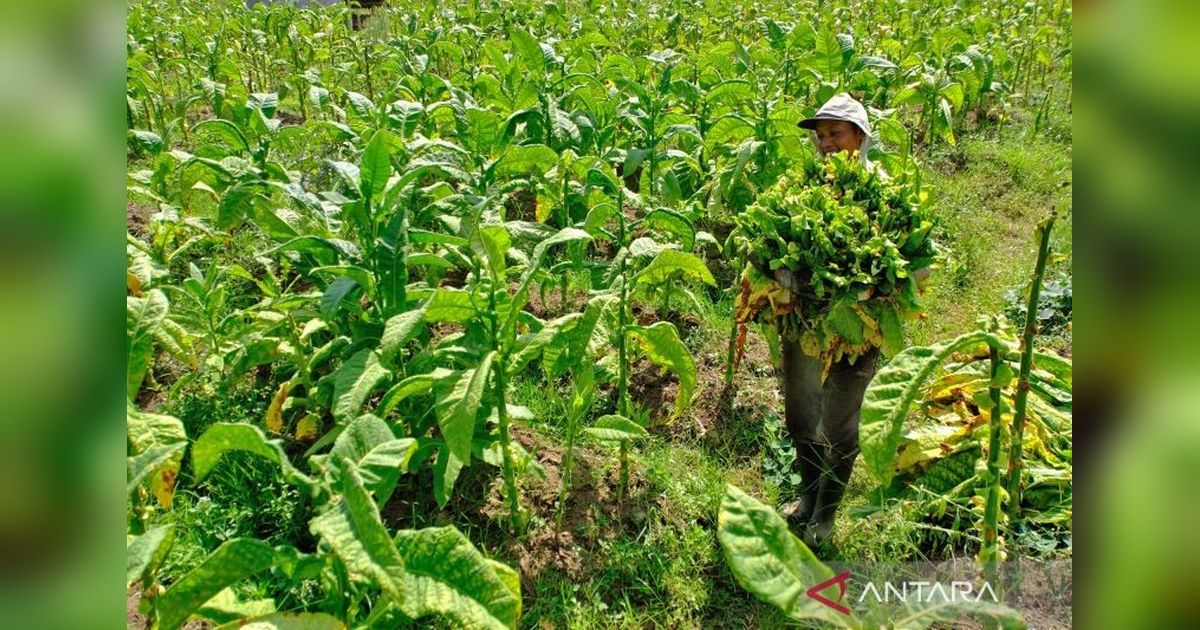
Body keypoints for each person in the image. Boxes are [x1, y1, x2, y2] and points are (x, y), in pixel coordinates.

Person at [778, 93, 929, 547]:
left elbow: (920, 267)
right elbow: (769, 248)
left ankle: (826, 515)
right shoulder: (802, 189)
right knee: (802, 416)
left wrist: (877, 287)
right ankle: (808, 497)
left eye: (835, 133)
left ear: (860, 137)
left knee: (840, 425)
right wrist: (780, 274)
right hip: (805, 322)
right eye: (820, 136)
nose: (825, 142)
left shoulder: (884, 193)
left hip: (857, 330)